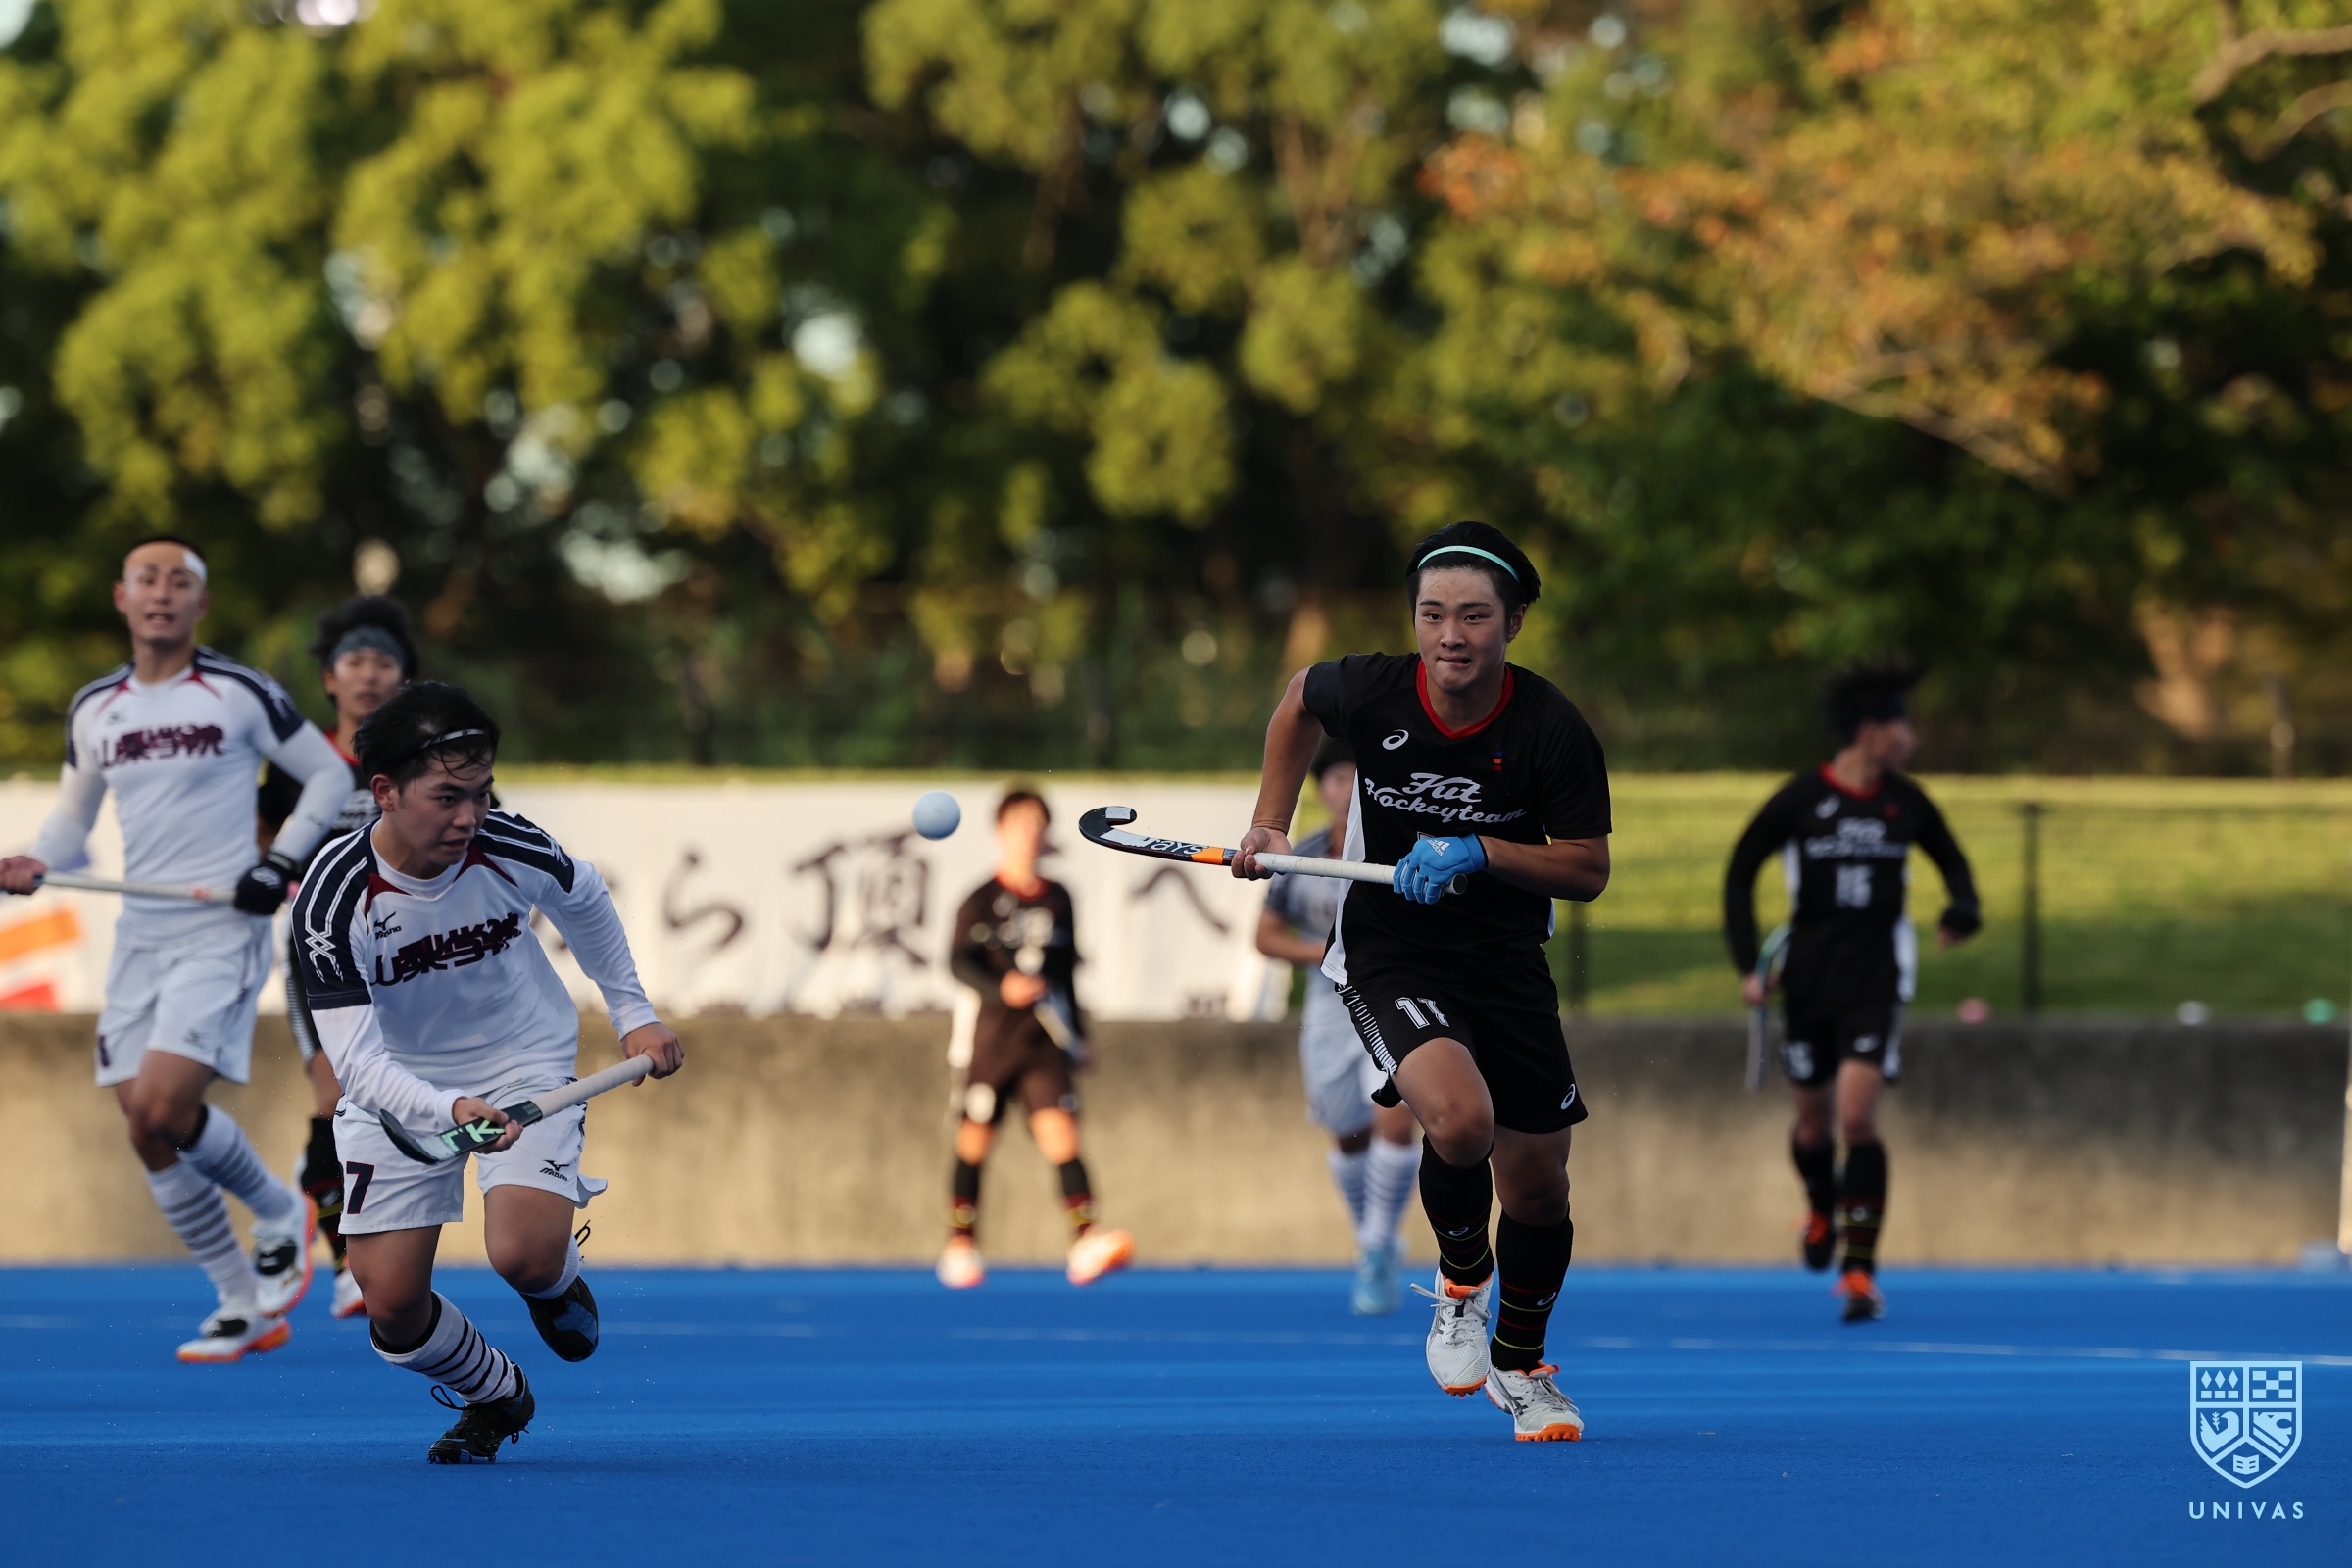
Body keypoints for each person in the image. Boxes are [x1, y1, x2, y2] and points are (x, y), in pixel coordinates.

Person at [1233, 520, 1612, 1443]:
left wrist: (1482, 850)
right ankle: (1460, 1279)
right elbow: (1298, 698)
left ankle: (1521, 1366)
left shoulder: (1551, 726)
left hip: (1506, 961)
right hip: (1389, 951)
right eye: (1432, 613)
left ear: (1512, 623)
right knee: (1460, 1118)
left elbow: (1587, 867)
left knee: (1538, 1187)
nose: (1451, 635)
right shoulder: (1373, 688)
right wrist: (1271, 822)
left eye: (1474, 616)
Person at [289, 680, 683, 1463]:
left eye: (481, 792)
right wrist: (450, 1109)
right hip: (396, 1089)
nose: (470, 816)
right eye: (447, 797)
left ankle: (554, 1282)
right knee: (391, 1306)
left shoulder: (507, 844)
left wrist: (633, 1013)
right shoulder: (332, 901)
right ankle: (496, 1392)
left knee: (522, 1253)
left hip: (522, 1061)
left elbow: (584, 897)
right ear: (386, 792)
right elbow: (358, 1066)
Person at [0, 537, 356, 1362]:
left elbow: (329, 777)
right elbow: (72, 821)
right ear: (121, 598)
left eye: (178, 581)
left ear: (201, 603)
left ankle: (280, 1212)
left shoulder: (240, 692)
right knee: (146, 1129)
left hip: (220, 928)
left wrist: (278, 863)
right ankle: (239, 1301)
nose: (161, 593)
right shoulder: (95, 708)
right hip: (141, 935)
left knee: (163, 1107)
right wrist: (37, 860)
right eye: (146, 580)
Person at [1721, 662, 1981, 1324]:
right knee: (1813, 1125)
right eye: (1902, 728)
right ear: (1869, 731)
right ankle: (1819, 1206)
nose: (1911, 740)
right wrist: (1751, 965)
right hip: (1810, 978)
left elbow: (1953, 863)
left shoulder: (1906, 801)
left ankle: (1860, 1272)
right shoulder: (1802, 799)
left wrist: (1963, 909)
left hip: (1876, 978)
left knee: (1858, 1119)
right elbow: (1740, 872)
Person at [257, 595, 417, 1321]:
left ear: (403, 677)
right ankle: (349, 1262)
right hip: (317, 954)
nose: (369, 675)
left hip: (407, 958)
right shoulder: (302, 765)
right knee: (336, 1097)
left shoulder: (425, 759)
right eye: (355, 661)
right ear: (330, 678)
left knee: (383, 1101)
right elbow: (261, 840)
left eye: (384, 662)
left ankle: (335, 1192)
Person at [936, 789, 1134, 1292]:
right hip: (991, 1040)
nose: (1028, 833)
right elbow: (957, 962)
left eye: (1036, 824)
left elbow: (1065, 974)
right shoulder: (980, 899)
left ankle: (1086, 1239)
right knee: (975, 1139)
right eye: (1019, 823)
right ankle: (960, 1244)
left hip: (1043, 1042)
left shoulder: (1058, 898)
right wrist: (1001, 987)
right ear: (1000, 831)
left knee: (1061, 1135)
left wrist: (1079, 1036)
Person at [1256, 736, 1422, 1315]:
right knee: (1345, 1131)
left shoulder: (1401, 850)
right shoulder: (1300, 857)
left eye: (1358, 779)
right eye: (1336, 779)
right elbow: (1265, 936)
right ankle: (1371, 1240)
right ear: (1321, 790)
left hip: (1391, 996)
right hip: (1329, 1007)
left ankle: (1377, 1242)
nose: (1348, 791)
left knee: (1395, 1118)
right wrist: (1327, 954)